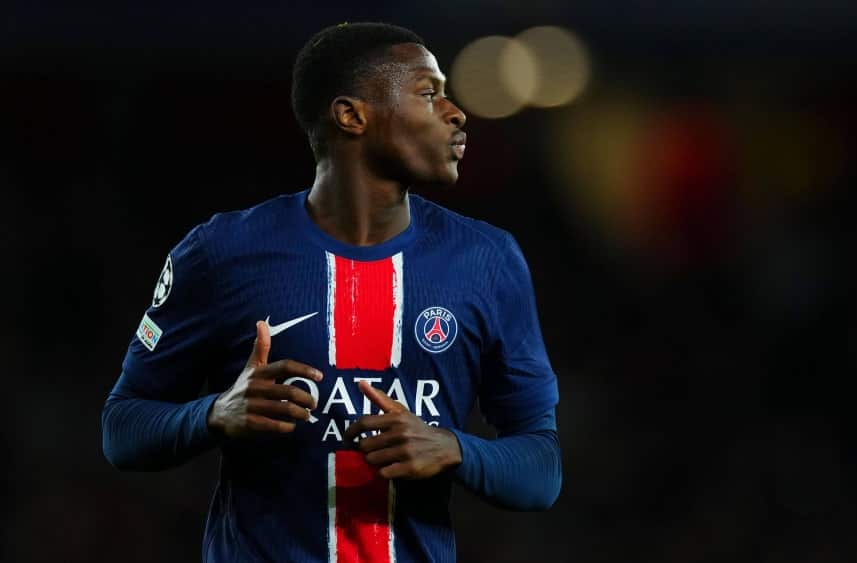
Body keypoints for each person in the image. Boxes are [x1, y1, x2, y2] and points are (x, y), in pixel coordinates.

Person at [101, 22, 561, 563]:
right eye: (428, 93)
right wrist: (213, 413)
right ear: (351, 116)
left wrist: (454, 448)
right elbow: (122, 429)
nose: (456, 113)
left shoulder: (487, 261)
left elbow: (542, 471)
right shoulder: (222, 252)